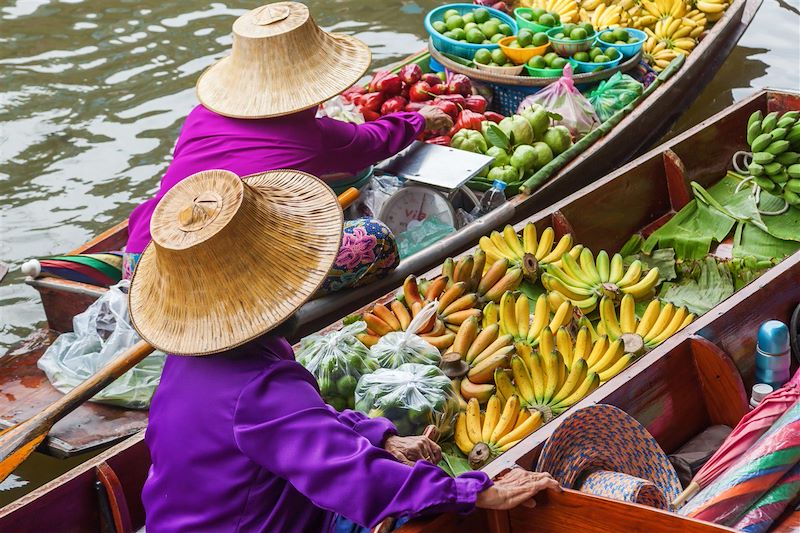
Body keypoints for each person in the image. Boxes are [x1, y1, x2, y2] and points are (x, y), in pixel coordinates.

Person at [128, 167, 559, 533]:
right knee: (421, 513)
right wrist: (475, 491)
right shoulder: (260, 385)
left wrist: (380, 436)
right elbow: (348, 474)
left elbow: (302, 426)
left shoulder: (188, 359)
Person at [123, 1, 453, 295]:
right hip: (215, 282)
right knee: (374, 240)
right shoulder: (313, 136)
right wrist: (419, 120)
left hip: (143, 256)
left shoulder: (201, 115)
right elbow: (373, 142)